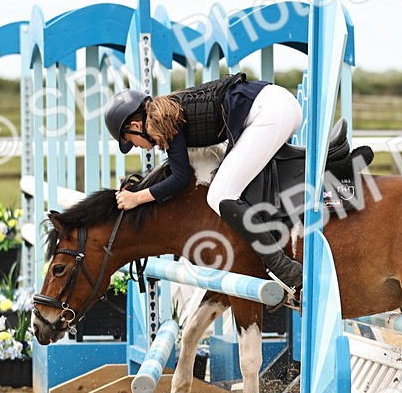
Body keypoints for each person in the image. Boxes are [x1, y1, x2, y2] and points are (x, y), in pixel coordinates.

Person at [103, 74, 304, 293]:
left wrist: (136, 198)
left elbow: (180, 180)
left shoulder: (165, 120)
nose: (136, 146)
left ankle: (284, 269)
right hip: (277, 105)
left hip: (270, 112)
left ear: (135, 125)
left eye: (130, 141)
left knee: (220, 194)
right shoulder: (169, 112)